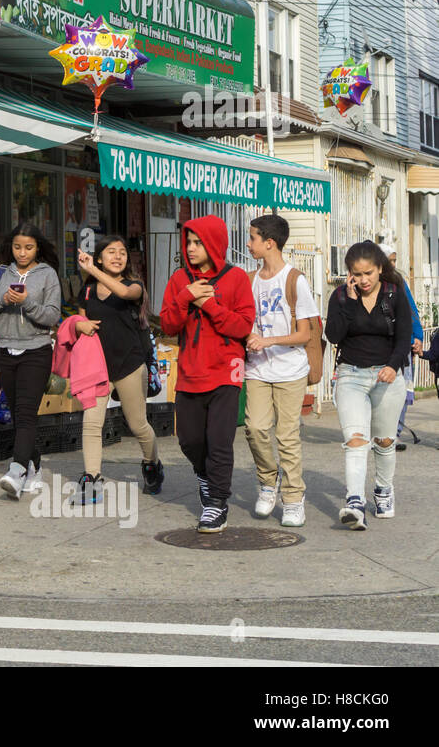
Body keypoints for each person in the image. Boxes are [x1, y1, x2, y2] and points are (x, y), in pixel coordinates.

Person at [159, 216, 256, 534]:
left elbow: (242, 326)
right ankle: (204, 476)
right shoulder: (178, 280)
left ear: (215, 243)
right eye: (188, 242)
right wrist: (187, 297)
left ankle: (216, 502)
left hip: (226, 371)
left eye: (198, 242)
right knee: (189, 439)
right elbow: (169, 325)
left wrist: (211, 305)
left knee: (219, 441)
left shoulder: (237, 278)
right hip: (190, 370)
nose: (191, 248)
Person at [324, 241, 412, 529]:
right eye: (356, 274)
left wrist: (392, 366)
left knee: (385, 441)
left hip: (387, 375)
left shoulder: (394, 294)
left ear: (380, 270)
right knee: (356, 440)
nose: (363, 280)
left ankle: (384, 490)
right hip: (350, 375)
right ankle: (354, 502)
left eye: (368, 274)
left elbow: (403, 338)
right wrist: (350, 301)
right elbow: (334, 335)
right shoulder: (339, 297)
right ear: (349, 273)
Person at [72, 235, 162, 503]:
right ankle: (92, 477)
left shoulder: (134, 286)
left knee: (138, 425)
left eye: (122, 252)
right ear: (99, 257)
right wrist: (79, 325)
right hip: (97, 367)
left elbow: (123, 294)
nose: (118, 256)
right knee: (91, 422)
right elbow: (79, 318)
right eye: (111, 252)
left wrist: (93, 270)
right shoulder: (87, 291)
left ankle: (151, 463)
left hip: (130, 365)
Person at [243, 214, 318, 528]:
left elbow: (306, 334)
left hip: (290, 369)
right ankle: (267, 480)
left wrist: (268, 340)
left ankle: (292, 497)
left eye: (252, 238)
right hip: (258, 369)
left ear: (268, 242)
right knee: (255, 429)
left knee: (287, 437)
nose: (248, 244)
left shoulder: (295, 279)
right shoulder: (249, 280)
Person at [0, 223, 63, 499]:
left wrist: (26, 302)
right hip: (4, 351)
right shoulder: (2, 272)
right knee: (19, 414)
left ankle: (16, 470)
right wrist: (3, 298)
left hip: (36, 351)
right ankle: (34, 466)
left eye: (28, 247)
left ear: (38, 247)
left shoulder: (47, 274)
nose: (22, 253)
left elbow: (51, 316)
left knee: (26, 412)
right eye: (17, 247)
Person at [378, 243, 423, 450]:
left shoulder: (399, 282)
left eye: (395, 260)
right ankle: (378, 433)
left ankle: (394, 433)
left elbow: (411, 310)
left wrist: (417, 335)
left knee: (401, 390)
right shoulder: (370, 283)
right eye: (390, 260)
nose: (393, 264)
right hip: (379, 346)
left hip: (401, 345)